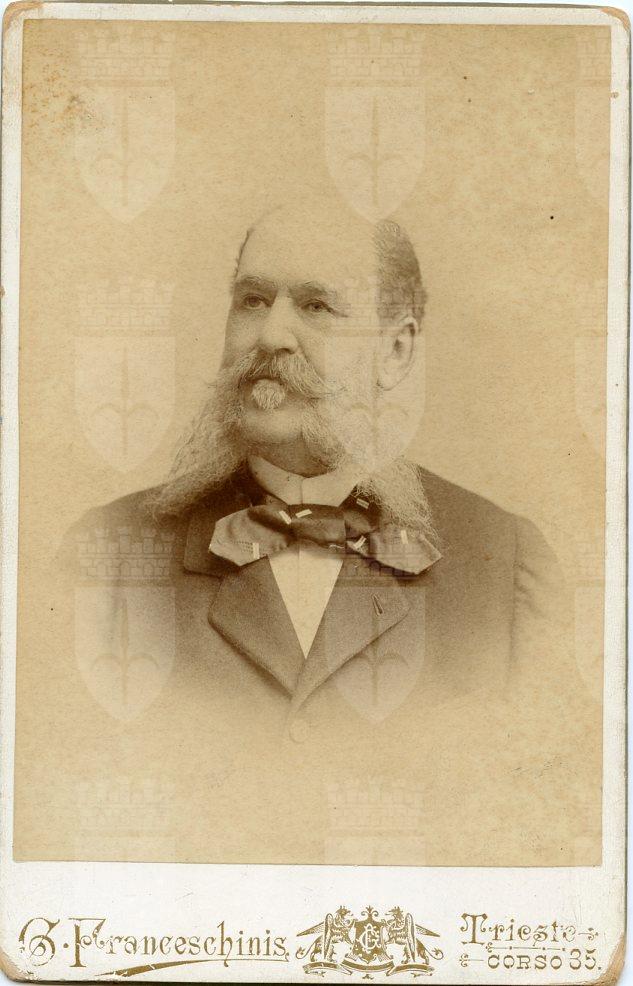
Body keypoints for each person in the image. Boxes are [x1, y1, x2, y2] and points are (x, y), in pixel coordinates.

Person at [55, 200, 599, 866]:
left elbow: (545, 836)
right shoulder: (107, 559)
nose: (271, 335)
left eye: (316, 306)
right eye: (252, 300)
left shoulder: (507, 567)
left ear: (395, 350)